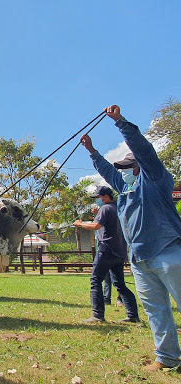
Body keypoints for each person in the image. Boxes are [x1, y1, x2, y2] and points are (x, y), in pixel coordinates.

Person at [80, 104, 181, 372]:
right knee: (156, 311)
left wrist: (121, 122)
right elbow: (108, 172)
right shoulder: (125, 189)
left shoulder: (156, 178)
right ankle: (167, 358)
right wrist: (92, 151)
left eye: (128, 166)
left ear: (139, 167)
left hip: (168, 251)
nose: (123, 171)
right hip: (139, 258)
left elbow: (145, 151)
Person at [73, 186, 139, 324]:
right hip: (119, 251)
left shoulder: (105, 208)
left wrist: (80, 224)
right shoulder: (118, 208)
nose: (97, 200)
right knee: (120, 284)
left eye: (98, 198)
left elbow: (96, 226)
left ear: (106, 197)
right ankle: (133, 315)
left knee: (95, 281)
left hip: (106, 250)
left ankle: (97, 316)